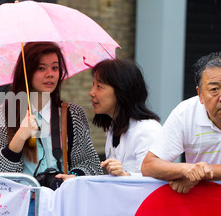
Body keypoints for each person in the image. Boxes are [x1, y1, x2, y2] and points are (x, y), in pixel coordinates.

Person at [0, 42, 102, 182]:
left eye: (55, 68)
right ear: (27, 72)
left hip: (61, 199)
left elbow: (92, 165)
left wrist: (74, 176)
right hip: (24, 199)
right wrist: (19, 138)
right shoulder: (2, 114)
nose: (50, 74)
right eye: (41, 68)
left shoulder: (73, 114)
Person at [141, 51, 221, 193]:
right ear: (200, 95)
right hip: (203, 203)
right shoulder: (186, 113)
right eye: (214, 89)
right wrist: (185, 170)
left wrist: (203, 173)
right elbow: (149, 165)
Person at [89, 59, 162, 176]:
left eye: (99, 86)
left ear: (121, 90)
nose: (91, 92)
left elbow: (154, 179)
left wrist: (125, 175)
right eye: (93, 85)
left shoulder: (148, 129)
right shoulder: (112, 127)